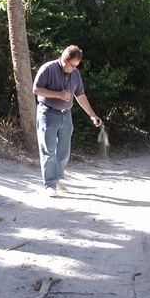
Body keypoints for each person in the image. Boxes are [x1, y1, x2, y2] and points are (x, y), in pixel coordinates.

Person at [32, 45, 102, 196]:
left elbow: (80, 95)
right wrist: (58, 94)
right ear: (64, 59)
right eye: (72, 65)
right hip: (48, 113)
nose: (74, 68)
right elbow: (36, 89)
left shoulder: (75, 74)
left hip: (66, 115)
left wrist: (92, 114)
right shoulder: (48, 69)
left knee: (64, 152)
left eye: (76, 66)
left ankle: (58, 180)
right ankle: (49, 185)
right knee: (48, 151)